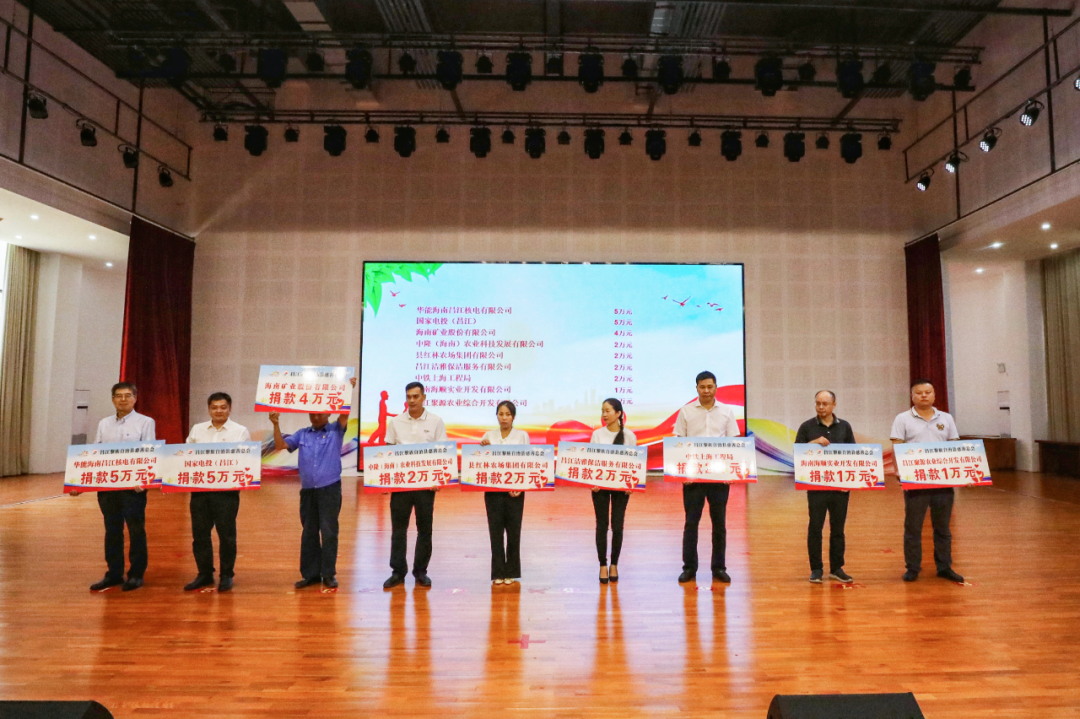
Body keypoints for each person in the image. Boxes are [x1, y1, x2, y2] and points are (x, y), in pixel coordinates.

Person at [270, 376, 356, 590]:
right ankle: (310, 575)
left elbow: (344, 413)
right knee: (309, 532)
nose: (316, 416)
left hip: (330, 489)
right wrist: (276, 423)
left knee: (329, 532)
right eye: (312, 413)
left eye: (320, 413)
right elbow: (280, 445)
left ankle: (328, 574)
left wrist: (348, 389)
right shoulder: (302, 434)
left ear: (328, 414)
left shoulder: (336, 430)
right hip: (308, 491)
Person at [76, 382, 156, 592]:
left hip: (133, 487)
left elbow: (150, 452)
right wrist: (79, 481)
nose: (123, 399)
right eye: (118, 396)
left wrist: (143, 482)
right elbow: (96, 453)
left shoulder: (145, 422)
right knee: (112, 530)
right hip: (108, 486)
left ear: (135, 398)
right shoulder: (104, 423)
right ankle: (113, 573)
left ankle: (136, 574)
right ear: (112, 399)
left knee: (136, 529)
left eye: (127, 395)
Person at [890, 378, 965, 584]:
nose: (924, 395)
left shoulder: (946, 418)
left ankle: (944, 567)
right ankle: (913, 568)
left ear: (934, 395)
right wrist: (899, 471)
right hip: (915, 481)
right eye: (919, 392)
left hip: (943, 482)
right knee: (913, 528)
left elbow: (954, 446)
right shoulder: (902, 418)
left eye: (928, 392)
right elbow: (897, 446)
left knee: (943, 528)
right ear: (912, 396)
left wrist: (963, 474)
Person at [673, 371, 740, 585]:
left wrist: (730, 472)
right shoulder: (686, 411)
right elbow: (679, 443)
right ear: (697, 388)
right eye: (702, 387)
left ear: (716, 387)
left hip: (719, 477)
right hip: (693, 477)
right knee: (691, 523)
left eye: (710, 386)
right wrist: (683, 473)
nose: (706, 391)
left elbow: (733, 444)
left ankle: (719, 567)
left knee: (719, 523)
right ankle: (689, 568)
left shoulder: (727, 411)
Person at [183, 392, 251, 593]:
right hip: (200, 490)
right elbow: (186, 456)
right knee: (200, 534)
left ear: (230, 409)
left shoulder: (240, 431)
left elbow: (246, 460)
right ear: (209, 409)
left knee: (227, 535)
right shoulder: (198, 429)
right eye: (214, 407)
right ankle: (204, 573)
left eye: (223, 407)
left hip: (226, 492)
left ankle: (226, 575)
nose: (218, 411)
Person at [383, 382, 448, 589]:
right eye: (409, 396)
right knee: (398, 530)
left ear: (423, 398)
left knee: (425, 529)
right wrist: (385, 480)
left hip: (425, 486)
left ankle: (421, 571)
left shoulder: (436, 421)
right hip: (401, 486)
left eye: (416, 396)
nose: (412, 400)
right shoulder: (395, 422)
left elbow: (442, 452)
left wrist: (438, 479)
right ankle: (398, 572)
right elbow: (388, 453)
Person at [794, 390, 857, 584]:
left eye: (825, 404)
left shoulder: (844, 426)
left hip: (840, 487)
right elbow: (798, 454)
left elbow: (853, 455)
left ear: (834, 405)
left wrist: (849, 482)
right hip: (816, 486)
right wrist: (813, 443)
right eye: (818, 403)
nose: (821, 407)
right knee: (815, 527)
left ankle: (837, 568)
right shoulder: (807, 426)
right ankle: (816, 568)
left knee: (838, 528)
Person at [479, 401, 530, 586]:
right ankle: (498, 572)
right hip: (493, 491)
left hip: (515, 492)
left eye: (508, 414)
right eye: (501, 414)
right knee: (496, 532)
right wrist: (482, 448)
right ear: (497, 416)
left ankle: (512, 571)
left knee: (514, 532)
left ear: (513, 417)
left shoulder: (522, 436)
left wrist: (521, 487)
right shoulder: (488, 435)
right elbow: (481, 462)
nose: (504, 418)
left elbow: (528, 463)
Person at [591, 398, 636, 585]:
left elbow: (634, 463)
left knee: (618, 525)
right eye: (603, 410)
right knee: (602, 525)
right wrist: (592, 481)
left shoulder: (629, 436)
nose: (604, 414)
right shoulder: (597, 435)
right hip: (600, 487)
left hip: (621, 488)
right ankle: (602, 564)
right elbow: (591, 461)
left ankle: (614, 564)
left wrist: (631, 484)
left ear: (618, 414)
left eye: (608, 410)